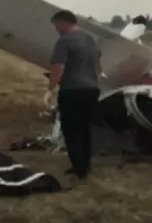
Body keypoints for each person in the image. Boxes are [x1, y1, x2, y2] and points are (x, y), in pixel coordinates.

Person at [46, 10, 100, 180]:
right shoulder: (90, 39)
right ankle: (85, 165)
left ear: (63, 22)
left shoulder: (64, 41)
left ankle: (79, 169)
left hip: (72, 90)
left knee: (71, 130)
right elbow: (98, 65)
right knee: (85, 129)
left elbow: (58, 67)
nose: (56, 29)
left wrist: (50, 88)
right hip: (91, 89)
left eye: (56, 25)